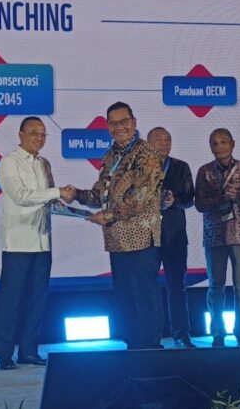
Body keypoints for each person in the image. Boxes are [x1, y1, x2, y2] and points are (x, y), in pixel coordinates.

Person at [76, 102, 164, 350]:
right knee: (124, 295)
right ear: (107, 127)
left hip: (141, 236)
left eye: (124, 122)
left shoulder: (146, 153)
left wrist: (109, 215)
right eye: (113, 123)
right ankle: (132, 345)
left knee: (144, 294)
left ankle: (151, 347)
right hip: (117, 239)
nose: (119, 127)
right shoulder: (110, 155)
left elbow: (141, 197)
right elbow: (100, 195)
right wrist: (76, 195)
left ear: (134, 122)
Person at [0, 117, 76, 370]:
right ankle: (4, 353)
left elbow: (45, 198)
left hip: (42, 241)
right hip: (18, 242)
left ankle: (28, 351)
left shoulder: (44, 163)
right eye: (34, 133)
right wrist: (56, 192)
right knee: (11, 300)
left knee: (37, 299)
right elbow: (20, 196)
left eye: (43, 134)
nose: (39, 138)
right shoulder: (9, 162)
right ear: (20, 134)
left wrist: (58, 201)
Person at [195, 128, 240, 347]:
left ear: (232, 144)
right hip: (214, 235)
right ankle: (217, 333)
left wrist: (239, 196)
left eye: (223, 142)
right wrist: (221, 198)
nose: (219, 146)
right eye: (214, 143)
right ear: (210, 147)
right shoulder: (205, 171)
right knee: (216, 286)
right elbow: (199, 204)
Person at [147, 127, 196, 348]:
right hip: (147, 236)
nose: (164, 143)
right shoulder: (141, 168)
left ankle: (181, 334)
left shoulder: (180, 166)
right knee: (148, 288)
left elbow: (190, 199)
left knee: (177, 287)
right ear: (148, 143)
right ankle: (151, 335)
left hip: (174, 236)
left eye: (168, 139)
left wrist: (174, 201)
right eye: (159, 139)